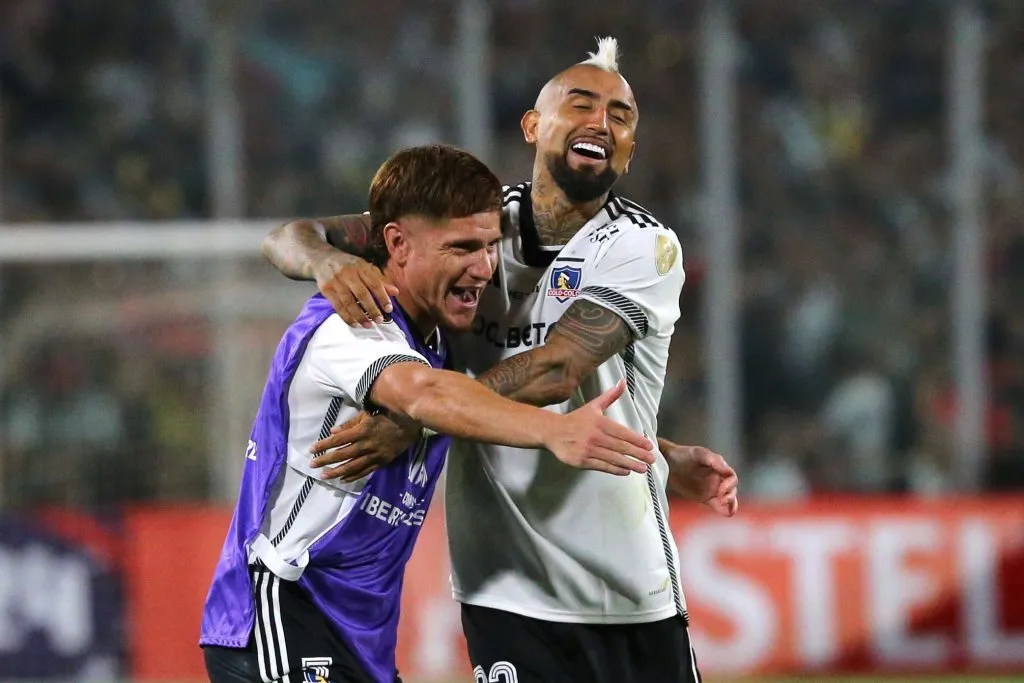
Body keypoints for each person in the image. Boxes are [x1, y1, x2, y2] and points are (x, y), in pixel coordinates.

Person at [262, 39, 738, 683]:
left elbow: (556, 371)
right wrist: (325, 261)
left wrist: (418, 420)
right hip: (503, 588)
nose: (602, 122)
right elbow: (291, 236)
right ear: (534, 126)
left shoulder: (642, 247)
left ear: (628, 152)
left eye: (621, 118)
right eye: (582, 104)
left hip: (624, 590)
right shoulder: (471, 228)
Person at [199, 144, 657, 683]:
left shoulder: (435, 332)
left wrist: (660, 452)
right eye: (462, 247)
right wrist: (553, 432)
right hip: (284, 607)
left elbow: (462, 395)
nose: (484, 268)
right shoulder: (353, 324)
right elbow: (426, 395)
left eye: (490, 247)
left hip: (353, 631)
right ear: (396, 243)